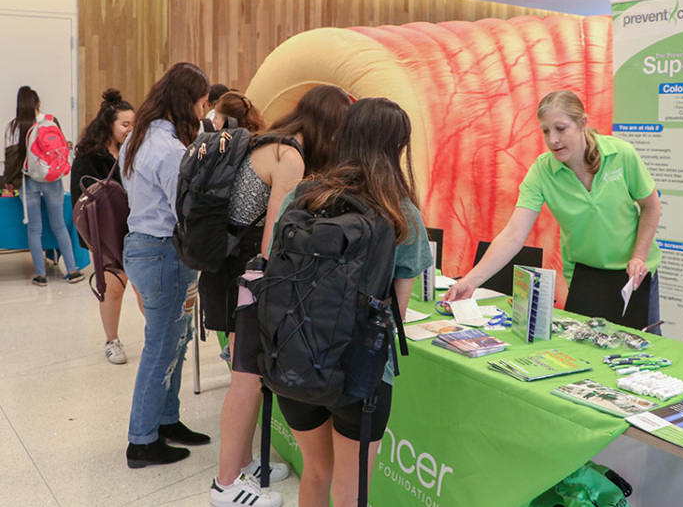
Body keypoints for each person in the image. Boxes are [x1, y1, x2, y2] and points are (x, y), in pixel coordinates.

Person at [270, 98, 432, 507]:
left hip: (294, 359)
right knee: (351, 489)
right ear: (398, 147)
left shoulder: (303, 196)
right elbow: (394, 308)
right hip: (360, 373)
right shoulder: (402, 213)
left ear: (345, 136)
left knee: (316, 473)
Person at [207, 86, 352, 507]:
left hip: (227, 271)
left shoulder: (267, 142)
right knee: (248, 381)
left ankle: (246, 462)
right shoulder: (291, 157)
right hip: (247, 277)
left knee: (245, 377)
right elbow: (274, 240)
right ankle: (226, 483)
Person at [445, 90, 662, 331]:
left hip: (634, 274)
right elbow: (513, 235)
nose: (553, 140)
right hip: (584, 276)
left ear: (582, 124)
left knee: (644, 351)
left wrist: (639, 257)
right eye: (546, 131)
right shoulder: (542, 171)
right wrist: (471, 281)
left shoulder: (621, 154)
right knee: (584, 351)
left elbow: (651, 206)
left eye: (561, 129)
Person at [120, 62, 210, 468]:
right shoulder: (172, 151)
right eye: (201, 103)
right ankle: (141, 439)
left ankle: (166, 420)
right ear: (185, 102)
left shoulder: (137, 139)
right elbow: (185, 211)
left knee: (176, 339)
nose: (204, 112)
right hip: (165, 253)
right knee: (162, 346)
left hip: (143, 247)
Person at [71, 88, 140, 364]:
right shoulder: (89, 157)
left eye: (134, 125)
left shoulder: (132, 152)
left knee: (143, 288)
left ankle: (159, 339)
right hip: (107, 235)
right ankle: (112, 340)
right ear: (108, 125)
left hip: (137, 229)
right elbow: (81, 203)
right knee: (113, 288)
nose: (130, 130)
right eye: (125, 124)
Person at [4, 86, 85, 286]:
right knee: (59, 225)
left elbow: (12, 159)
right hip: (52, 180)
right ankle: (73, 271)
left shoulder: (14, 126)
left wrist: (9, 183)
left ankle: (40, 275)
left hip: (28, 181)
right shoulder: (51, 121)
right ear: (38, 104)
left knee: (34, 229)